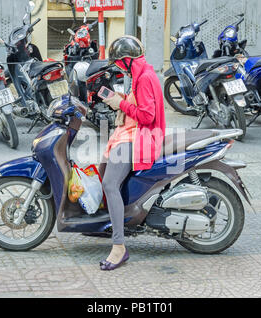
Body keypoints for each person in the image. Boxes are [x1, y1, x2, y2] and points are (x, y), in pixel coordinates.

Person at [98, 36, 166, 271]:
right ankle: (116, 218)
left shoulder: (144, 78)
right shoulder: (140, 74)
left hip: (138, 136)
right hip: (128, 132)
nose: (118, 67)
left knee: (109, 184)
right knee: (104, 171)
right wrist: (120, 100)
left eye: (118, 63)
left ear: (127, 61)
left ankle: (119, 247)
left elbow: (146, 116)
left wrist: (121, 105)